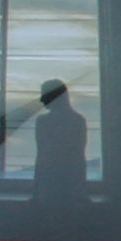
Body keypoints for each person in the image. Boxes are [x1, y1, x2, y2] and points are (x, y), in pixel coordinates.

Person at [28, 79, 93, 221]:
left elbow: (42, 158)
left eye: (44, 94)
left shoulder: (43, 122)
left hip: (51, 187)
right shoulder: (78, 121)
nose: (41, 99)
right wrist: (80, 191)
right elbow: (79, 159)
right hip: (68, 188)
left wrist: (36, 191)